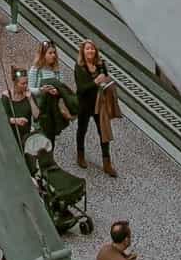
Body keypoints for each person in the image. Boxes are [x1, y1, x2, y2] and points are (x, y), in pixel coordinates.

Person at [71, 39, 118, 175]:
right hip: (85, 104)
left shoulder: (101, 64)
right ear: (83, 51)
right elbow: (81, 88)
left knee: (103, 131)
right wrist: (95, 82)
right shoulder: (79, 67)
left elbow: (106, 79)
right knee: (82, 129)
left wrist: (106, 83)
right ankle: (80, 154)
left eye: (92, 48)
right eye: (87, 49)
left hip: (100, 104)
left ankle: (107, 163)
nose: (90, 51)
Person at [24, 42, 74, 143]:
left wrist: (57, 92)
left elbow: (62, 88)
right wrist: (41, 90)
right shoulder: (35, 70)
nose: (53, 55)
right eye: (50, 53)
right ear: (43, 54)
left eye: (54, 53)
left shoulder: (56, 71)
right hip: (40, 110)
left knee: (51, 139)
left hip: (53, 111)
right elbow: (29, 89)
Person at [2, 71, 35, 149]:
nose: (26, 86)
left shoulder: (29, 95)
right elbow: (1, 117)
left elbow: (37, 116)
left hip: (25, 136)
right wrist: (16, 120)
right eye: (23, 83)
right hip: (11, 136)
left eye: (27, 83)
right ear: (15, 83)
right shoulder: (6, 96)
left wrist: (30, 99)